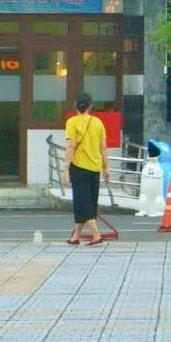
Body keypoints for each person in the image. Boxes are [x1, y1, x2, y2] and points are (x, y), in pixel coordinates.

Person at [65, 92, 115, 245]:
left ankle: (96, 235)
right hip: (95, 168)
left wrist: (65, 168)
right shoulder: (98, 122)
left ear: (75, 105)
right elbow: (103, 147)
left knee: (83, 202)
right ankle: (76, 236)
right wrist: (106, 168)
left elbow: (71, 146)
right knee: (90, 202)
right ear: (90, 106)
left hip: (79, 167)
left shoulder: (72, 122)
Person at [133, 139, 170, 219]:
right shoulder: (147, 165)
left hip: (159, 194)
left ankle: (159, 210)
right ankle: (143, 209)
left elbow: (167, 184)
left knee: (159, 198)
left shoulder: (164, 167)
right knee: (143, 196)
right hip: (146, 192)